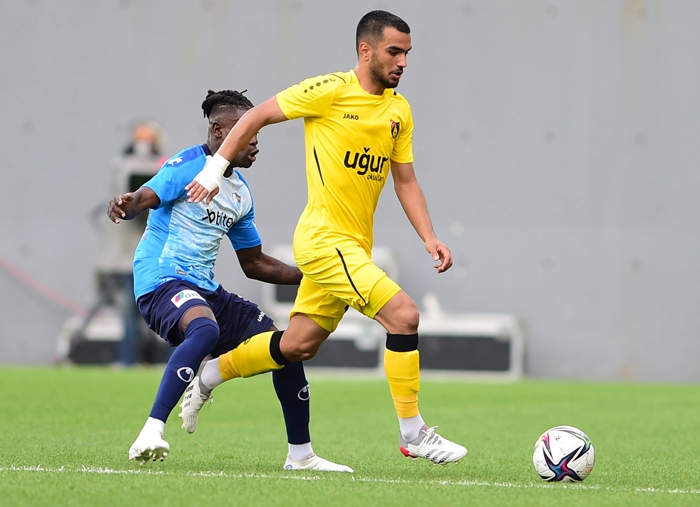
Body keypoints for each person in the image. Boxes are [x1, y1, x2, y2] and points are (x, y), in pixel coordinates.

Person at [184, 10, 467, 465]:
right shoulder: (329, 90)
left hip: (354, 246)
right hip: (323, 240)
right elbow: (255, 116)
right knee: (404, 316)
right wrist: (214, 171)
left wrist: (429, 236)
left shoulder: (399, 110)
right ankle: (414, 432)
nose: (403, 62)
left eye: (407, 53)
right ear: (366, 50)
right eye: (394, 52)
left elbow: (406, 180)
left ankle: (214, 372)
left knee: (297, 345)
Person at [107, 89, 352, 472]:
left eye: (258, 131)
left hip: (204, 290)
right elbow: (145, 197)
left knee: (286, 348)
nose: (255, 140)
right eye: (248, 130)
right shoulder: (188, 164)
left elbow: (255, 264)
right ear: (220, 131)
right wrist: (128, 202)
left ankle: (301, 456)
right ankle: (151, 430)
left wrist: (319, 277)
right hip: (161, 281)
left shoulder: (239, 193)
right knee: (204, 330)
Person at [95, 120, 166, 366]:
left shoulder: (164, 166)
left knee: (158, 308)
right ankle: (129, 359)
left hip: (154, 253)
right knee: (128, 311)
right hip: (127, 255)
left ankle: (160, 358)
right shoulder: (121, 165)